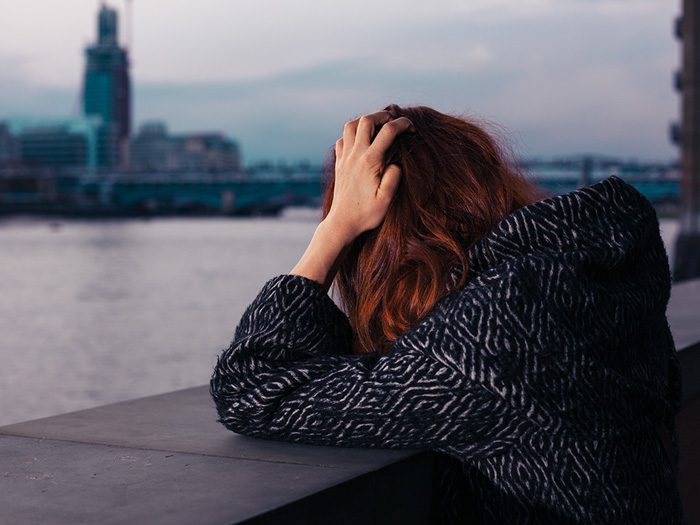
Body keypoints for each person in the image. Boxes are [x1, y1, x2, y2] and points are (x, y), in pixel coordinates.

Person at [209, 104, 685, 524]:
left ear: (390, 229)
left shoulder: (485, 344)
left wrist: (334, 231)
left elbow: (251, 390)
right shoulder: (587, 286)